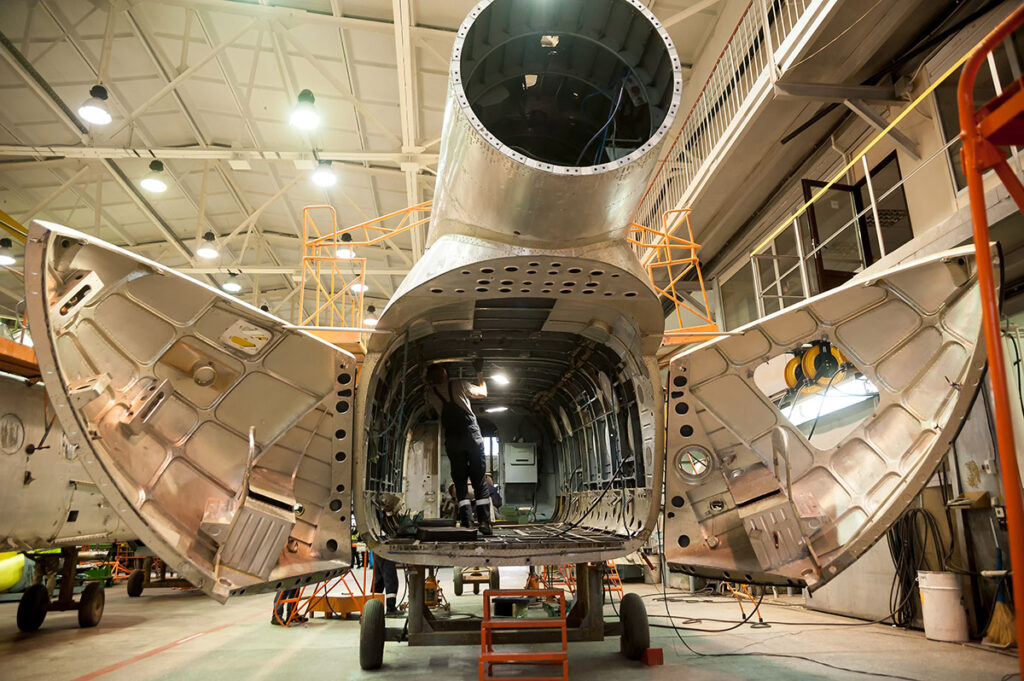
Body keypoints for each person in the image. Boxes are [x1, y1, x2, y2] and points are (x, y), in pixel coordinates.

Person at [426, 360, 493, 535]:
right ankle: (485, 523)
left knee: (461, 482)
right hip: (471, 436)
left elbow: (430, 413)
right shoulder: (459, 385)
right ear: (446, 374)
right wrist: (480, 373)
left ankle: (467, 524)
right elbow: (483, 393)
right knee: (479, 479)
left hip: (453, 439)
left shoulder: (430, 393)